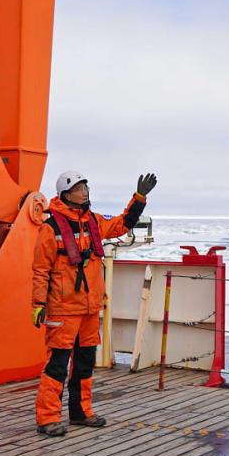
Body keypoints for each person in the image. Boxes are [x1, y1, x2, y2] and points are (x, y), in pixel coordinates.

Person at [32, 170, 156, 436]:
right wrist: (38, 304)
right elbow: (40, 269)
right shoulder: (51, 227)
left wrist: (140, 197)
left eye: (86, 187)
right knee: (57, 364)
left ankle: (80, 412)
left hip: (89, 308)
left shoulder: (94, 222)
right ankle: (47, 417)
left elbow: (124, 224)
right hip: (62, 309)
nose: (85, 191)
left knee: (85, 363)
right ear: (66, 194)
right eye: (79, 188)